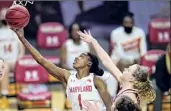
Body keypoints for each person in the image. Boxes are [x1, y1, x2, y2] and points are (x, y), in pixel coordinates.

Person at [11, 28, 112, 111]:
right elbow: (41, 60)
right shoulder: (67, 76)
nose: (76, 57)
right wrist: (22, 38)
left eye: (81, 56)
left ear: (89, 63)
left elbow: (110, 106)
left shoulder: (97, 81)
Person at [77, 30, 155, 110]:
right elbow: (107, 61)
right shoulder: (125, 84)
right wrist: (94, 41)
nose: (125, 69)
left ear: (132, 78)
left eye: (128, 70)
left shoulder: (127, 98)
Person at [0, 8, 25, 101]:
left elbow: (21, 49)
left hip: (16, 61)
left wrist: (20, 60)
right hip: (3, 62)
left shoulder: (16, 31)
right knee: (4, 67)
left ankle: (25, 95)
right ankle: (4, 97)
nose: (3, 17)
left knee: (22, 66)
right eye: (2, 15)